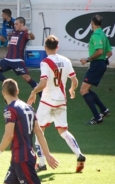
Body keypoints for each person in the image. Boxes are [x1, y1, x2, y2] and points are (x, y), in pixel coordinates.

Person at [27, 35, 86, 173]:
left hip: (47, 101)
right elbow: (74, 80)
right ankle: (79, 154)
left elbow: (43, 84)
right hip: (61, 101)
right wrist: (72, 90)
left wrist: (33, 93)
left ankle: (41, 164)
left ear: (45, 47)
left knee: (39, 131)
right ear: (57, 47)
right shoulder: (66, 60)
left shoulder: (45, 62)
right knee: (63, 131)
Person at [0, 78, 58, 184]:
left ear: (3, 93)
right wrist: (47, 154)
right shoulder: (29, 107)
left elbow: (9, 135)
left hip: (22, 158)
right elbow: (39, 133)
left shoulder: (10, 109)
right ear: (17, 91)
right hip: (22, 157)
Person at [0, 16, 42, 96]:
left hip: (17, 60)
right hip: (7, 59)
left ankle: (39, 90)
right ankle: (7, 82)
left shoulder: (25, 33)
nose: (15, 25)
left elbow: (32, 37)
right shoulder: (14, 32)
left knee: (26, 77)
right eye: (14, 24)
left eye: (16, 24)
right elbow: (11, 44)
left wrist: (28, 30)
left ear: (22, 24)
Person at [79, 15, 112, 125]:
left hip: (96, 64)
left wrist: (87, 60)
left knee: (83, 90)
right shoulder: (103, 34)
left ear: (92, 23)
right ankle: (103, 110)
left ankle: (97, 117)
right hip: (100, 64)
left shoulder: (96, 35)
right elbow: (109, 52)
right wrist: (105, 60)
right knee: (86, 89)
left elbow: (99, 52)